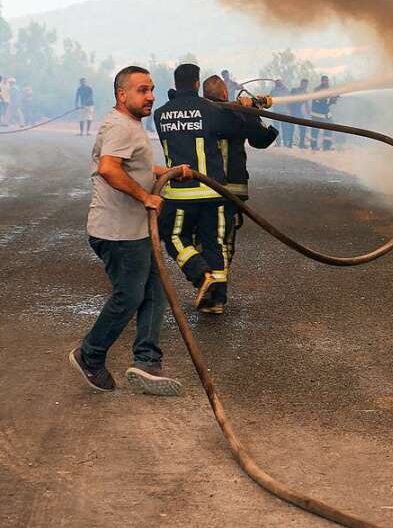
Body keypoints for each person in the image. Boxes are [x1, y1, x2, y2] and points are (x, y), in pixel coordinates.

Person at [68, 65, 190, 395]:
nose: (150, 95)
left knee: (154, 291)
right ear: (123, 95)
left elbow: (134, 164)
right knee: (130, 295)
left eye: (151, 89)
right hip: (117, 231)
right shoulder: (122, 126)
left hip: (133, 230)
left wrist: (168, 172)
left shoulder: (129, 126)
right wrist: (145, 196)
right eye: (142, 90)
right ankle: (90, 355)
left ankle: (147, 361)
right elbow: (109, 169)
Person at [153, 63, 252, 314]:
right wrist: (245, 109)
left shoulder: (161, 114)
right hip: (214, 192)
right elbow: (236, 128)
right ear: (197, 83)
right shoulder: (211, 110)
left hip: (180, 194)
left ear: (176, 84)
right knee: (215, 244)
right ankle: (215, 301)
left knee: (173, 235)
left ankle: (199, 274)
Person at [202, 74, 278, 266]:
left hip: (202, 189)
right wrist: (251, 111)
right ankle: (216, 283)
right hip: (230, 189)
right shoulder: (235, 113)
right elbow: (261, 140)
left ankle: (204, 273)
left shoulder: (201, 113)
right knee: (224, 240)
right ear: (226, 93)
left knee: (205, 235)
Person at [309, 75, 339, 151]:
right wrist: (330, 100)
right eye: (325, 80)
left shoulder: (328, 89)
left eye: (327, 81)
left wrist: (334, 99)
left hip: (326, 114)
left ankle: (326, 146)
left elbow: (328, 102)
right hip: (317, 114)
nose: (327, 82)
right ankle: (313, 147)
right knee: (315, 131)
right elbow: (321, 101)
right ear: (322, 81)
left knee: (329, 127)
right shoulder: (317, 90)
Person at [286, 78, 310, 149]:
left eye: (306, 84)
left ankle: (301, 144)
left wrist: (307, 109)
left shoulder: (305, 92)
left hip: (299, 111)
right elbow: (288, 101)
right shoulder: (294, 90)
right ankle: (289, 144)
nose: (305, 85)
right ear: (301, 84)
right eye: (304, 84)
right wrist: (289, 111)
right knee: (291, 128)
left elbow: (306, 102)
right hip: (292, 110)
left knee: (303, 128)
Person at [271, 79, 288, 146]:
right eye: (277, 83)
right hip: (276, 111)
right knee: (276, 128)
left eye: (279, 82)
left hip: (284, 111)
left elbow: (289, 99)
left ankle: (285, 142)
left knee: (284, 127)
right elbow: (270, 99)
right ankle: (278, 142)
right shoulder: (273, 91)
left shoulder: (285, 90)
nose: (278, 83)